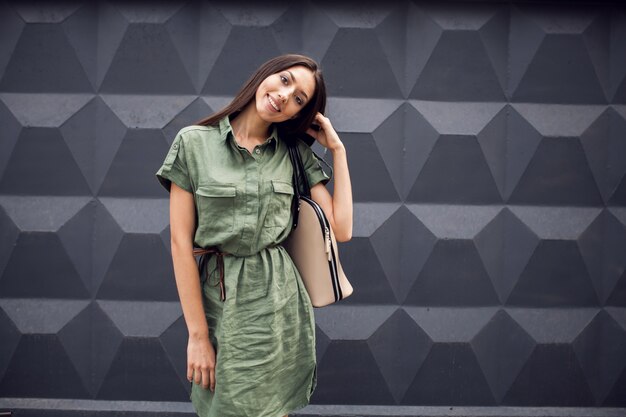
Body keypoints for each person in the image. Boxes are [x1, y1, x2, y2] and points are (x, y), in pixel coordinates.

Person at [155, 54, 353, 417]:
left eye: (299, 100)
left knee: (270, 409)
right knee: (224, 405)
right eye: (285, 80)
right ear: (266, 74)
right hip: (220, 301)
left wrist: (337, 150)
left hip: (279, 305)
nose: (285, 95)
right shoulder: (194, 144)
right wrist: (197, 336)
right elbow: (180, 244)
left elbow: (342, 228)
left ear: (298, 115)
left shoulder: (294, 154)